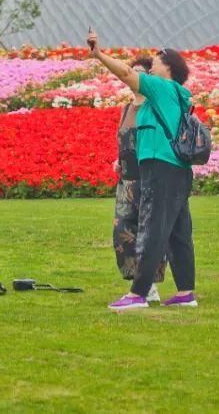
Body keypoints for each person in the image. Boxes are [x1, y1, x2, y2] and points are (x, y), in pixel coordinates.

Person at [88, 29, 198, 311]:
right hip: (177, 171)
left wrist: (99, 54)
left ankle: (138, 293)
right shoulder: (174, 94)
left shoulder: (161, 88)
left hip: (160, 169)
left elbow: (126, 73)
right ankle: (186, 292)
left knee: (151, 229)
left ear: (168, 67)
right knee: (178, 232)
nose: (154, 65)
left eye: (158, 61)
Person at [112, 56, 167, 302]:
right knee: (122, 230)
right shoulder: (126, 108)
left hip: (148, 179)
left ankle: (148, 283)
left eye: (138, 73)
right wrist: (118, 160)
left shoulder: (154, 108)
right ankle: (136, 278)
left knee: (149, 231)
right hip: (126, 180)